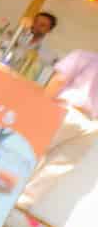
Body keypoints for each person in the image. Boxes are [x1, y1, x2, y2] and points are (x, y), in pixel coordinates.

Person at [18, 46, 98, 213]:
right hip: (92, 125)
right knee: (57, 167)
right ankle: (22, 203)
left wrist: (42, 104)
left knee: (34, 150)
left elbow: (59, 79)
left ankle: (4, 194)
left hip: (67, 111)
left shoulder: (83, 55)